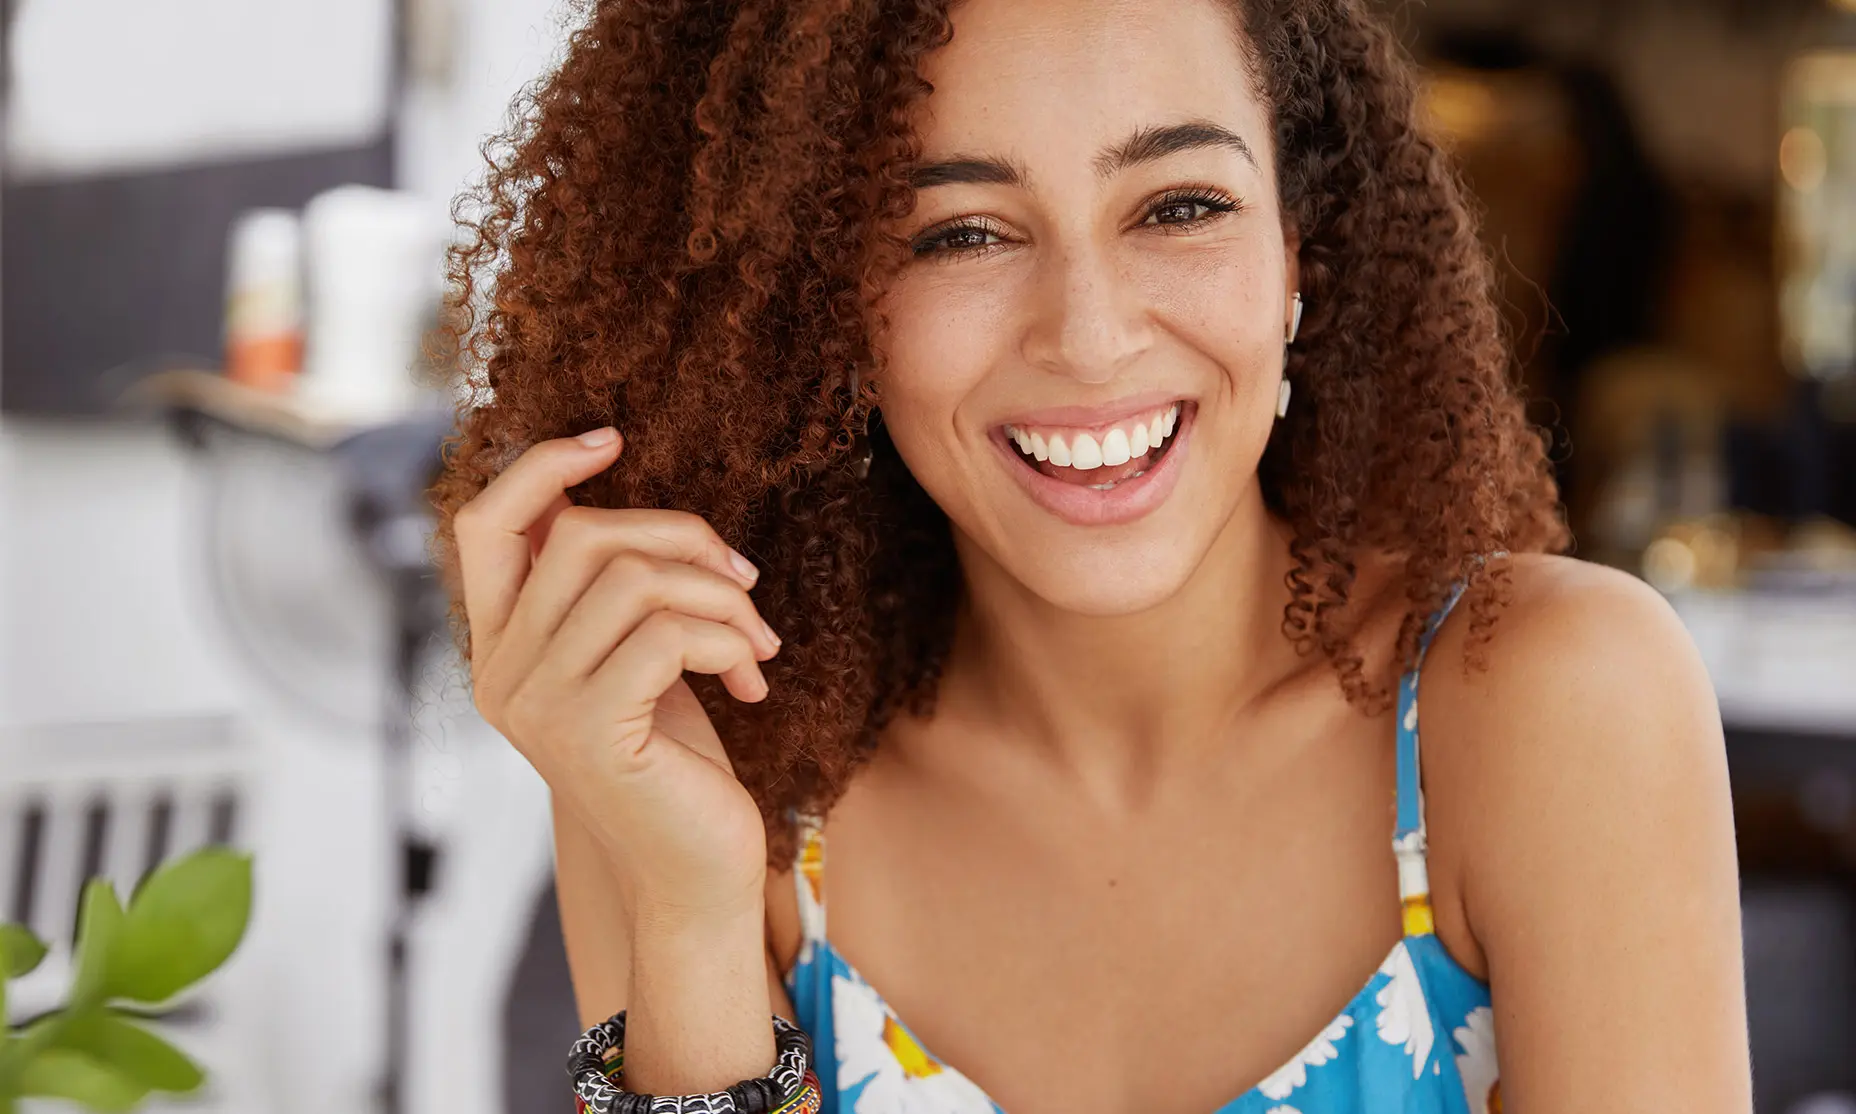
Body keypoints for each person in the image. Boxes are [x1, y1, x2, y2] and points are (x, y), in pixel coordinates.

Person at [428, 0, 1751, 1110]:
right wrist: (692, 914)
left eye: (1178, 205)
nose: (1089, 335)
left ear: (1304, 247)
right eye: (958, 232)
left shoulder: (1548, 705)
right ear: (823, 307)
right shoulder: (713, 775)